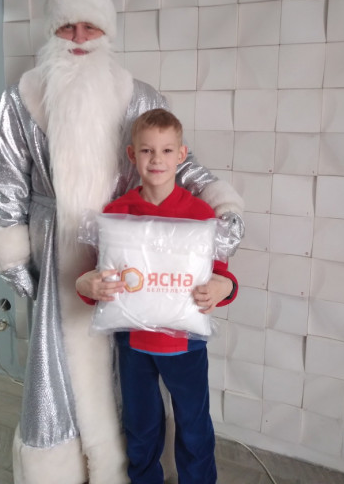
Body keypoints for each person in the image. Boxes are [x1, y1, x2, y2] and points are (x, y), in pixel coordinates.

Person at [0, 0, 244, 484]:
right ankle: (58, 469)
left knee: (128, 369)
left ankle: (121, 467)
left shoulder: (138, 96)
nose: (79, 37)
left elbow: (180, 164)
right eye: (68, 27)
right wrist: (13, 255)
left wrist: (223, 206)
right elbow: (6, 180)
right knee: (55, 364)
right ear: (52, 33)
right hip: (52, 246)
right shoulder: (20, 99)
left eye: (91, 27)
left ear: (107, 34)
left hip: (129, 248)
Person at [77, 109, 238, 484]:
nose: (157, 160)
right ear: (132, 155)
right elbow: (96, 276)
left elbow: (222, 274)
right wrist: (86, 286)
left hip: (186, 345)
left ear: (181, 155)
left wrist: (223, 287)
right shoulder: (116, 214)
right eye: (147, 150)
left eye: (166, 150)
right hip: (133, 343)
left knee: (194, 426)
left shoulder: (200, 215)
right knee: (140, 425)